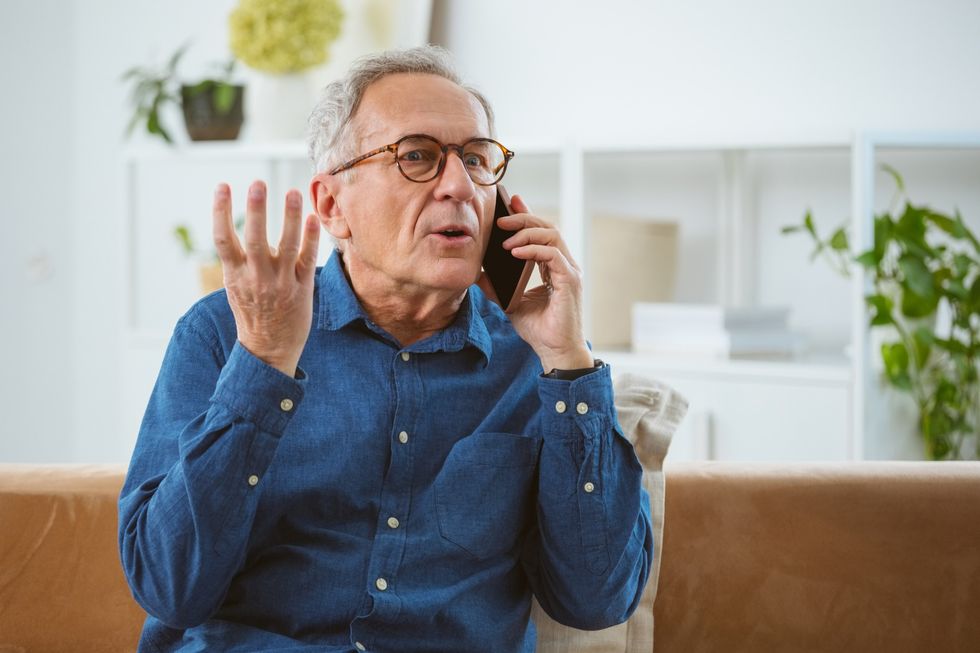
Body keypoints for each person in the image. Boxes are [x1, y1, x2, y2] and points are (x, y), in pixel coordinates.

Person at [119, 45, 652, 653]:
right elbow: (168, 588)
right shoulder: (224, 332)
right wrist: (264, 364)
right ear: (331, 207)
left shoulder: (538, 359)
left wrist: (567, 361)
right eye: (417, 157)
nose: (459, 186)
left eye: (477, 160)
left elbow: (597, 600)